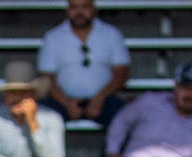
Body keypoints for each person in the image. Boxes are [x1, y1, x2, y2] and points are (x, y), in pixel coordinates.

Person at [37, 0, 128, 130]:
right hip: (61, 101)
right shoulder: (53, 37)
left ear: (93, 8)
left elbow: (122, 74)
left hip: (104, 100)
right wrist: (67, 103)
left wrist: (100, 98)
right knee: (41, 115)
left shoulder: (111, 35)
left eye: (84, 6)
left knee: (123, 117)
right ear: (67, 10)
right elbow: (47, 77)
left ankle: (111, 151)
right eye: (74, 7)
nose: (79, 12)